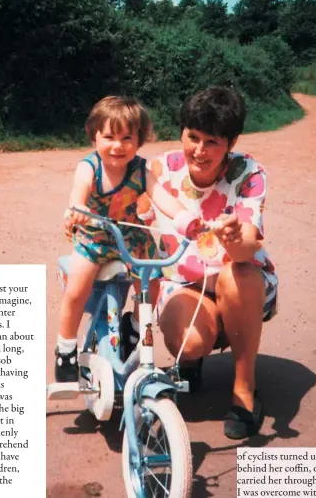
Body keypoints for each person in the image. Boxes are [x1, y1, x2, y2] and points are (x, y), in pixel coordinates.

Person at [130, 86, 278, 439]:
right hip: (183, 283)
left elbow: (245, 249)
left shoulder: (249, 173)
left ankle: (244, 390)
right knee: (192, 342)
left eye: (211, 141)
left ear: (231, 142)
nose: (199, 151)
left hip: (240, 281)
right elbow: (132, 223)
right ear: (181, 132)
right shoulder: (160, 168)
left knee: (236, 273)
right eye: (192, 137)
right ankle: (190, 359)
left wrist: (232, 237)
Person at [56, 95, 198, 383]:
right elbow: (77, 196)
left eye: (127, 138)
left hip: (131, 236)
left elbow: (162, 198)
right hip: (94, 238)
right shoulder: (89, 168)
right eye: (108, 136)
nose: (117, 145)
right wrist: (78, 211)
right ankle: (66, 348)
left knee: (153, 282)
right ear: (94, 137)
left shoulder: (140, 170)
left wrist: (185, 219)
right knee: (76, 290)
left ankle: (133, 325)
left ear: (139, 141)